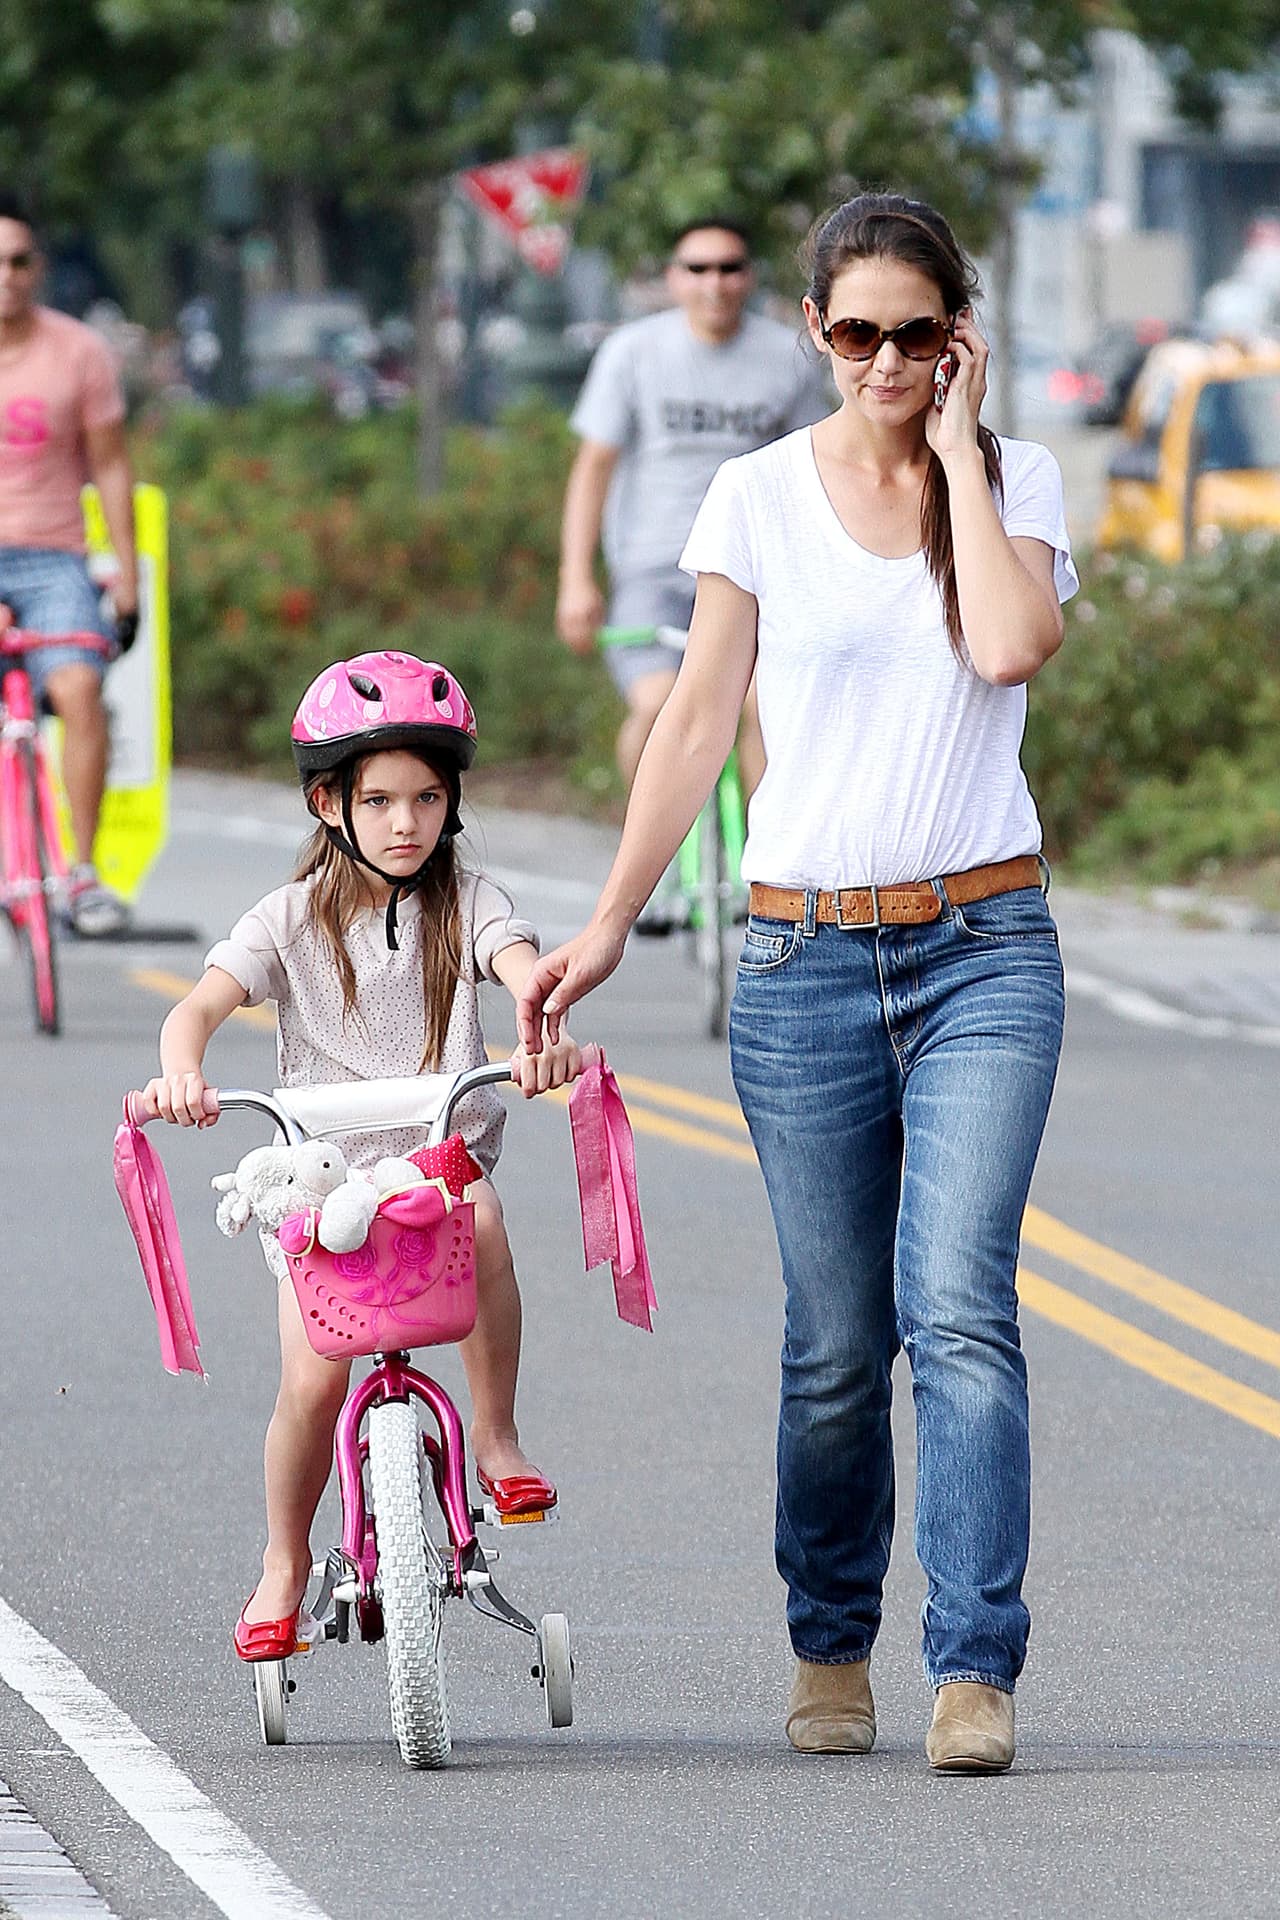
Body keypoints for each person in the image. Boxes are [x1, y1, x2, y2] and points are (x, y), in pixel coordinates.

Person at [519, 193, 1077, 1774]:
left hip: (985, 950)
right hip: (801, 958)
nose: (884, 361)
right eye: (854, 333)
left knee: (958, 1309)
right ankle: (831, 1644)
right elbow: (700, 717)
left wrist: (959, 455)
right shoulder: (758, 495)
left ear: (957, 335)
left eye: (916, 333)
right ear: (815, 336)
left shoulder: (1012, 479)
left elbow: (1016, 646)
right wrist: (615, 916)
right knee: (836, 1342)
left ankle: (975, 1670)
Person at [139, 651, 581, 1660]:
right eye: (378, 799)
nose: (404, 822)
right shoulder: (288, 920)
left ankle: (497, 1436)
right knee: (310, 1384)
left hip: (432, 1175)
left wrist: (536, 1023)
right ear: (326, 801)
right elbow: (198, 1008)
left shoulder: (467, 902)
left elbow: (518, 965)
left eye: (428, 798)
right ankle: (285, 1561)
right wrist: (181, 1072)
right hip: (317, 1190)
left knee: (484, 1218)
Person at [557, 217, 829, 923]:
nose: (716, 283)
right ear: (673, 278)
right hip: (655, 572)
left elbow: (816, 464)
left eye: (730, 267)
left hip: (758, 571)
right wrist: (576, 580)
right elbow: (594, 467)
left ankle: (764, 874)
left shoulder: (787, 357)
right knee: (655, 708)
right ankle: (653, 873)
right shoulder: (633, 353)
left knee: (763, 712)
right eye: (698, 268)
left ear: (751, 276)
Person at [0, 194, 139, 934]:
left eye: (19, 260)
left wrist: (128, 577)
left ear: (38, 268)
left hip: (54, 559)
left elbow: (111, 467)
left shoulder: (79, 351)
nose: (6, 276)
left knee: (81, 688)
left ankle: (81, 874)